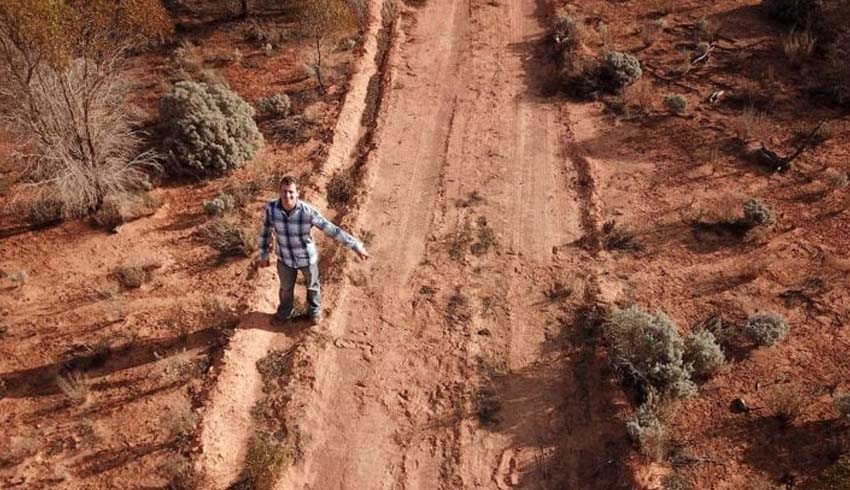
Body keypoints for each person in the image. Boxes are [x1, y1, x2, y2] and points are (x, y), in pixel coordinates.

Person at [258, 175, 369, 325]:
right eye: (284, 191)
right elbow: (265, 231)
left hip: (306, 258)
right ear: (279, 192)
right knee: (285, 289)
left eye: (291, 192)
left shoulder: (307, 212)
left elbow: (331, 229)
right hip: (284, 258)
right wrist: (264, 254)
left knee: (312, 286)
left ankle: (314, 312)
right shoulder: (272, 209)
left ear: (298, 193)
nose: (287, 195)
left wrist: (355, 246)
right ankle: (284, 314)